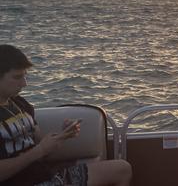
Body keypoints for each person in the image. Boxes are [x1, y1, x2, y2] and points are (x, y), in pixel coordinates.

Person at [0, 45, 132, 186]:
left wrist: (62, 135)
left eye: (25, 75)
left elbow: (42, 147)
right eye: (17, 77)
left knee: (122, 169)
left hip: (46, 177)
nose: (24, 83)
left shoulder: (21, 104)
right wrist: (39, 151)